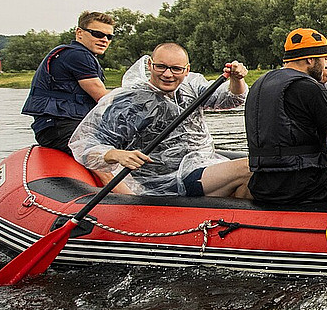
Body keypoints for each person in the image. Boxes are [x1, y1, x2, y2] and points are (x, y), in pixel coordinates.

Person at [67, 43, 252, 197]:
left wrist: (237, 79)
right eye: (161, 67)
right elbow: (84, 145)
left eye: (176, 69)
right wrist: (116, 154)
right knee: (249, 167)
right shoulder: (128, 101)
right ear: (150, 65)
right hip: (165, 182)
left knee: (251, 185)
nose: (168, 74)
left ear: (186, 70)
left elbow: (232, 99)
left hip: (201, 166)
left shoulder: (191, 88)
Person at [244, 28, 327, 205]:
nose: (326, 65)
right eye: (323, 59)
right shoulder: (310, 88)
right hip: (308, 186)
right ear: (310, 60)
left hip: (263, 185)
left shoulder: (259, 84)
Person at [20, 11, 115, 153]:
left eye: (109, 36)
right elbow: (103, 98)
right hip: (59, 128)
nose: (104, 40)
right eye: (98, 34)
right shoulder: (78, 55)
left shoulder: (77, 54)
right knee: (101, 157)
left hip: (56, 127)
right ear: (79, 32)